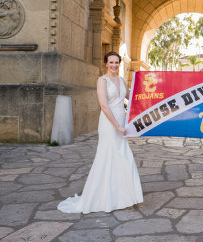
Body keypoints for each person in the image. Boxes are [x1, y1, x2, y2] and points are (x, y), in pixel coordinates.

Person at [58, 51, 143, 213]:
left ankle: (123, 196)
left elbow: (131, 96)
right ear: (105, 63)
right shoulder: (102, 81)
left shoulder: (120, 80)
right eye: (111, 62)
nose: (114, 65)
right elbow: (104, 106)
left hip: (121, 121)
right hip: (109, 124)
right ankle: (104, 197)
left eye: (117, 62)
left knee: (123, 157)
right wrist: (117, 126)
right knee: (109, 157)